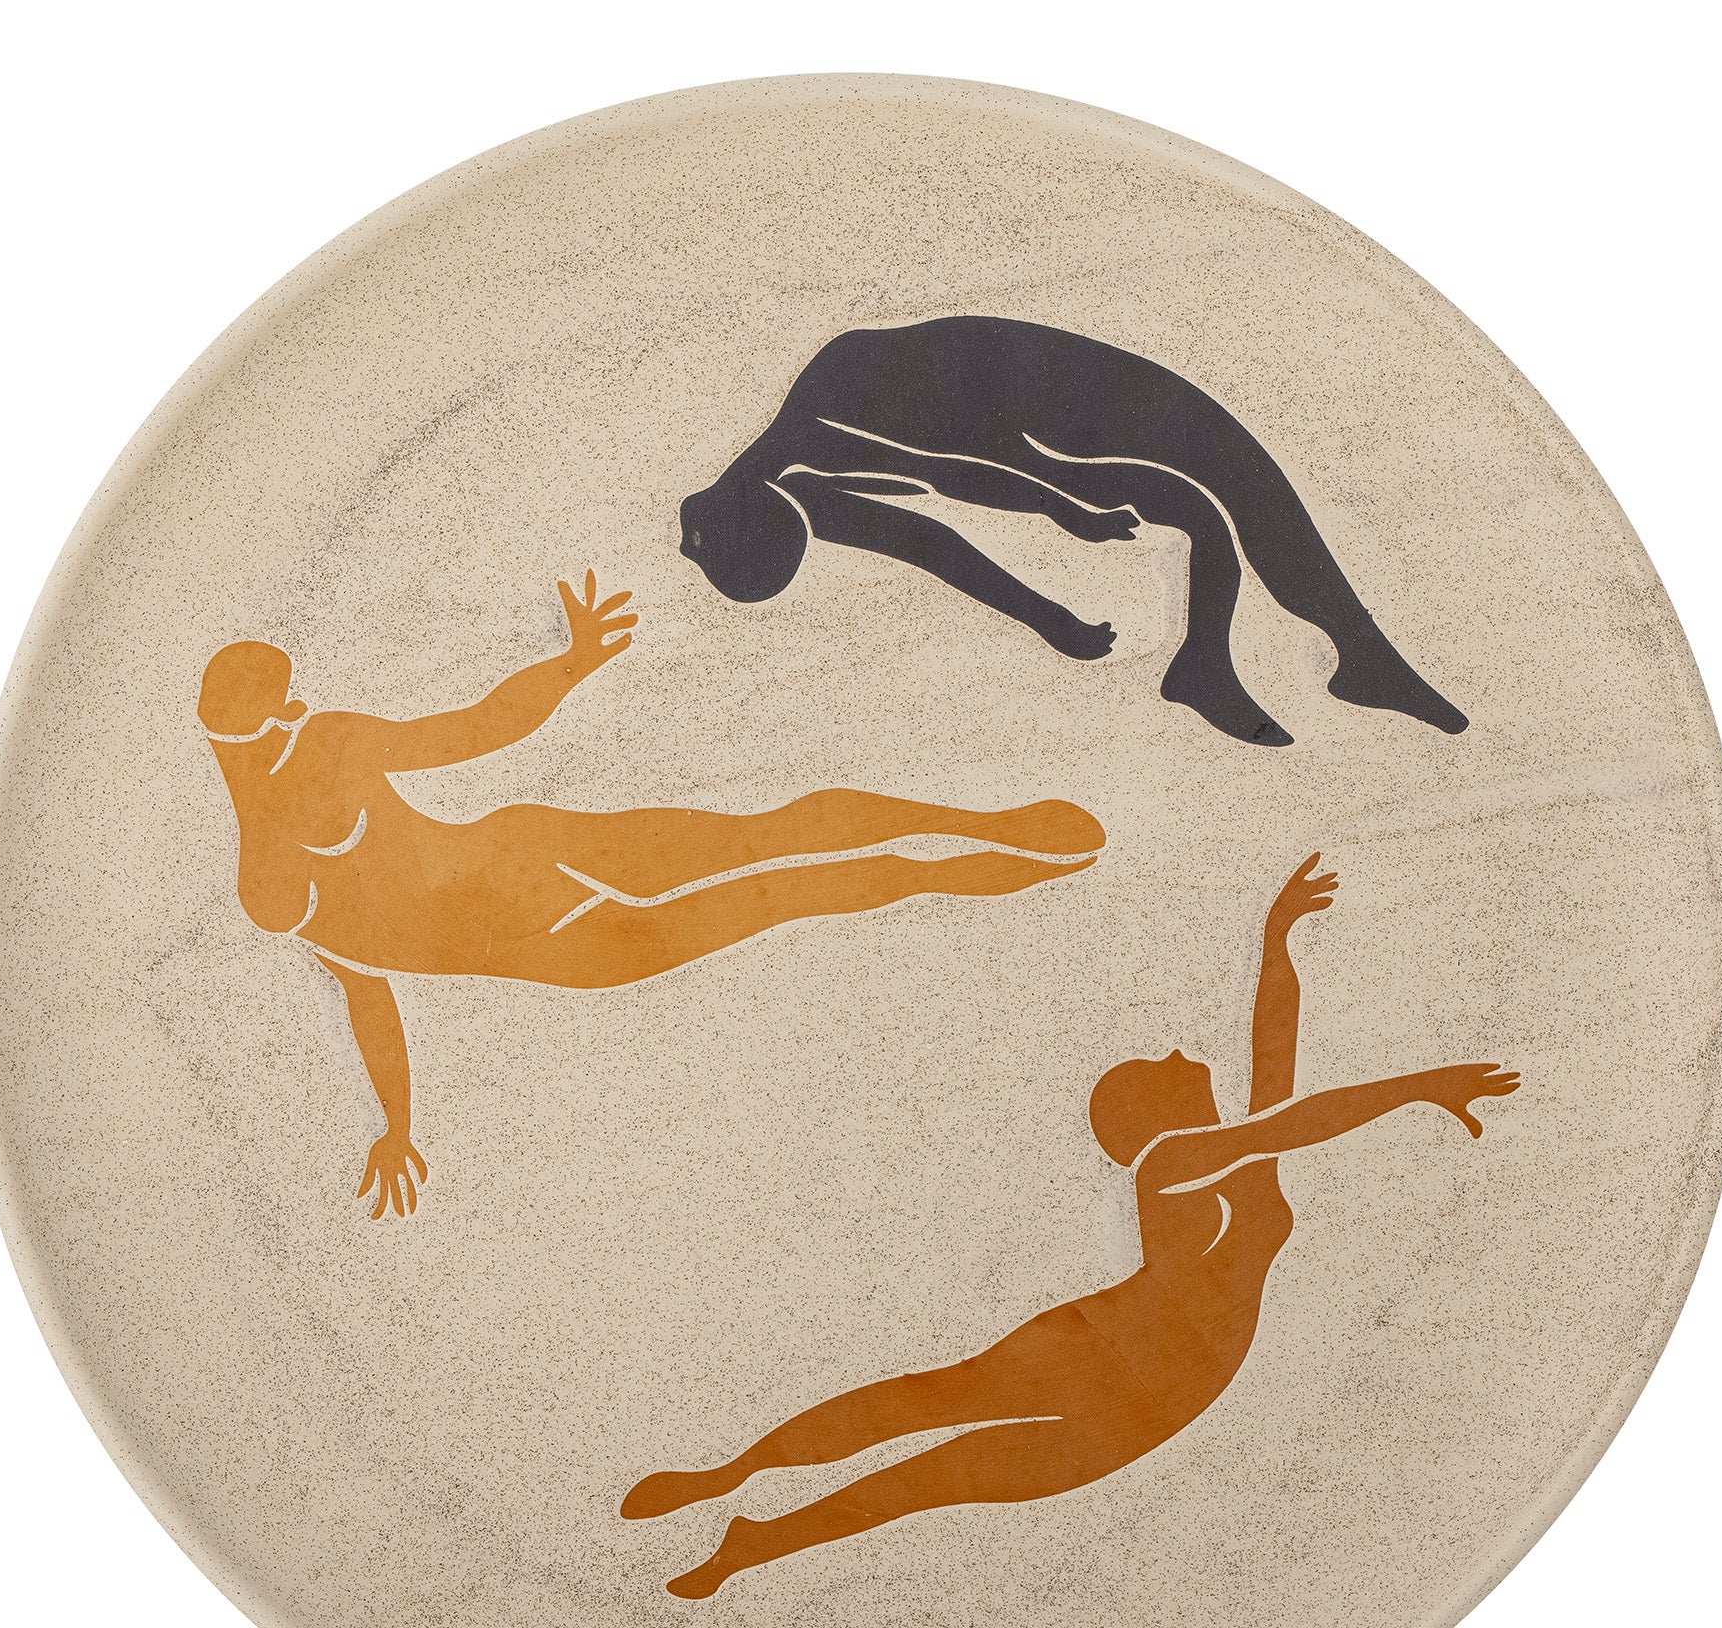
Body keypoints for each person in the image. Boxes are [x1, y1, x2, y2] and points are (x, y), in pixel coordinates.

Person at [622, 855, 1519, 1597]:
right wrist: (1420, 1086)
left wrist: (1277, 940)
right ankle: (733, 1475)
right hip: (1102, 1352)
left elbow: (1273, 1055)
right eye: (1159, 1064)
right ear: (1150, 1114)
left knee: (936, 1477)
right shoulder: (1175, 1162)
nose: (1180, 1052)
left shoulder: (1241, 1160)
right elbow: (1295, 1115)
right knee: (923, 1411)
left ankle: (752, 1544)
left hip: (1161, 1394)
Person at [198, 573, 1103, 1216]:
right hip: (553, 924)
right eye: (284, 700)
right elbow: (473, 737)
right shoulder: (311, 774)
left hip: (538, 877)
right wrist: (571, 664)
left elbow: (370, 979)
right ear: (268, 716)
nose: (298, 707)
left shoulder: (282, 858)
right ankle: (964, 849)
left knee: (771, 860)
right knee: (773, 860)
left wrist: (397, 1125)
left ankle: (973, 836)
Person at [679, 315, 1468, 746]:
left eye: (788, 542)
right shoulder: (801, 495)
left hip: (1051, 393)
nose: (811, 536)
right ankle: (1225, 664)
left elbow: (960, 470)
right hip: (1027, 438)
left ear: (752, 509)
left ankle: (1338, 659)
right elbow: (938, 550)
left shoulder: (818, 416)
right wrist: (1049, 618)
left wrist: (1062, 506)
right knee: (1205, 505)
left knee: (1227, 477)